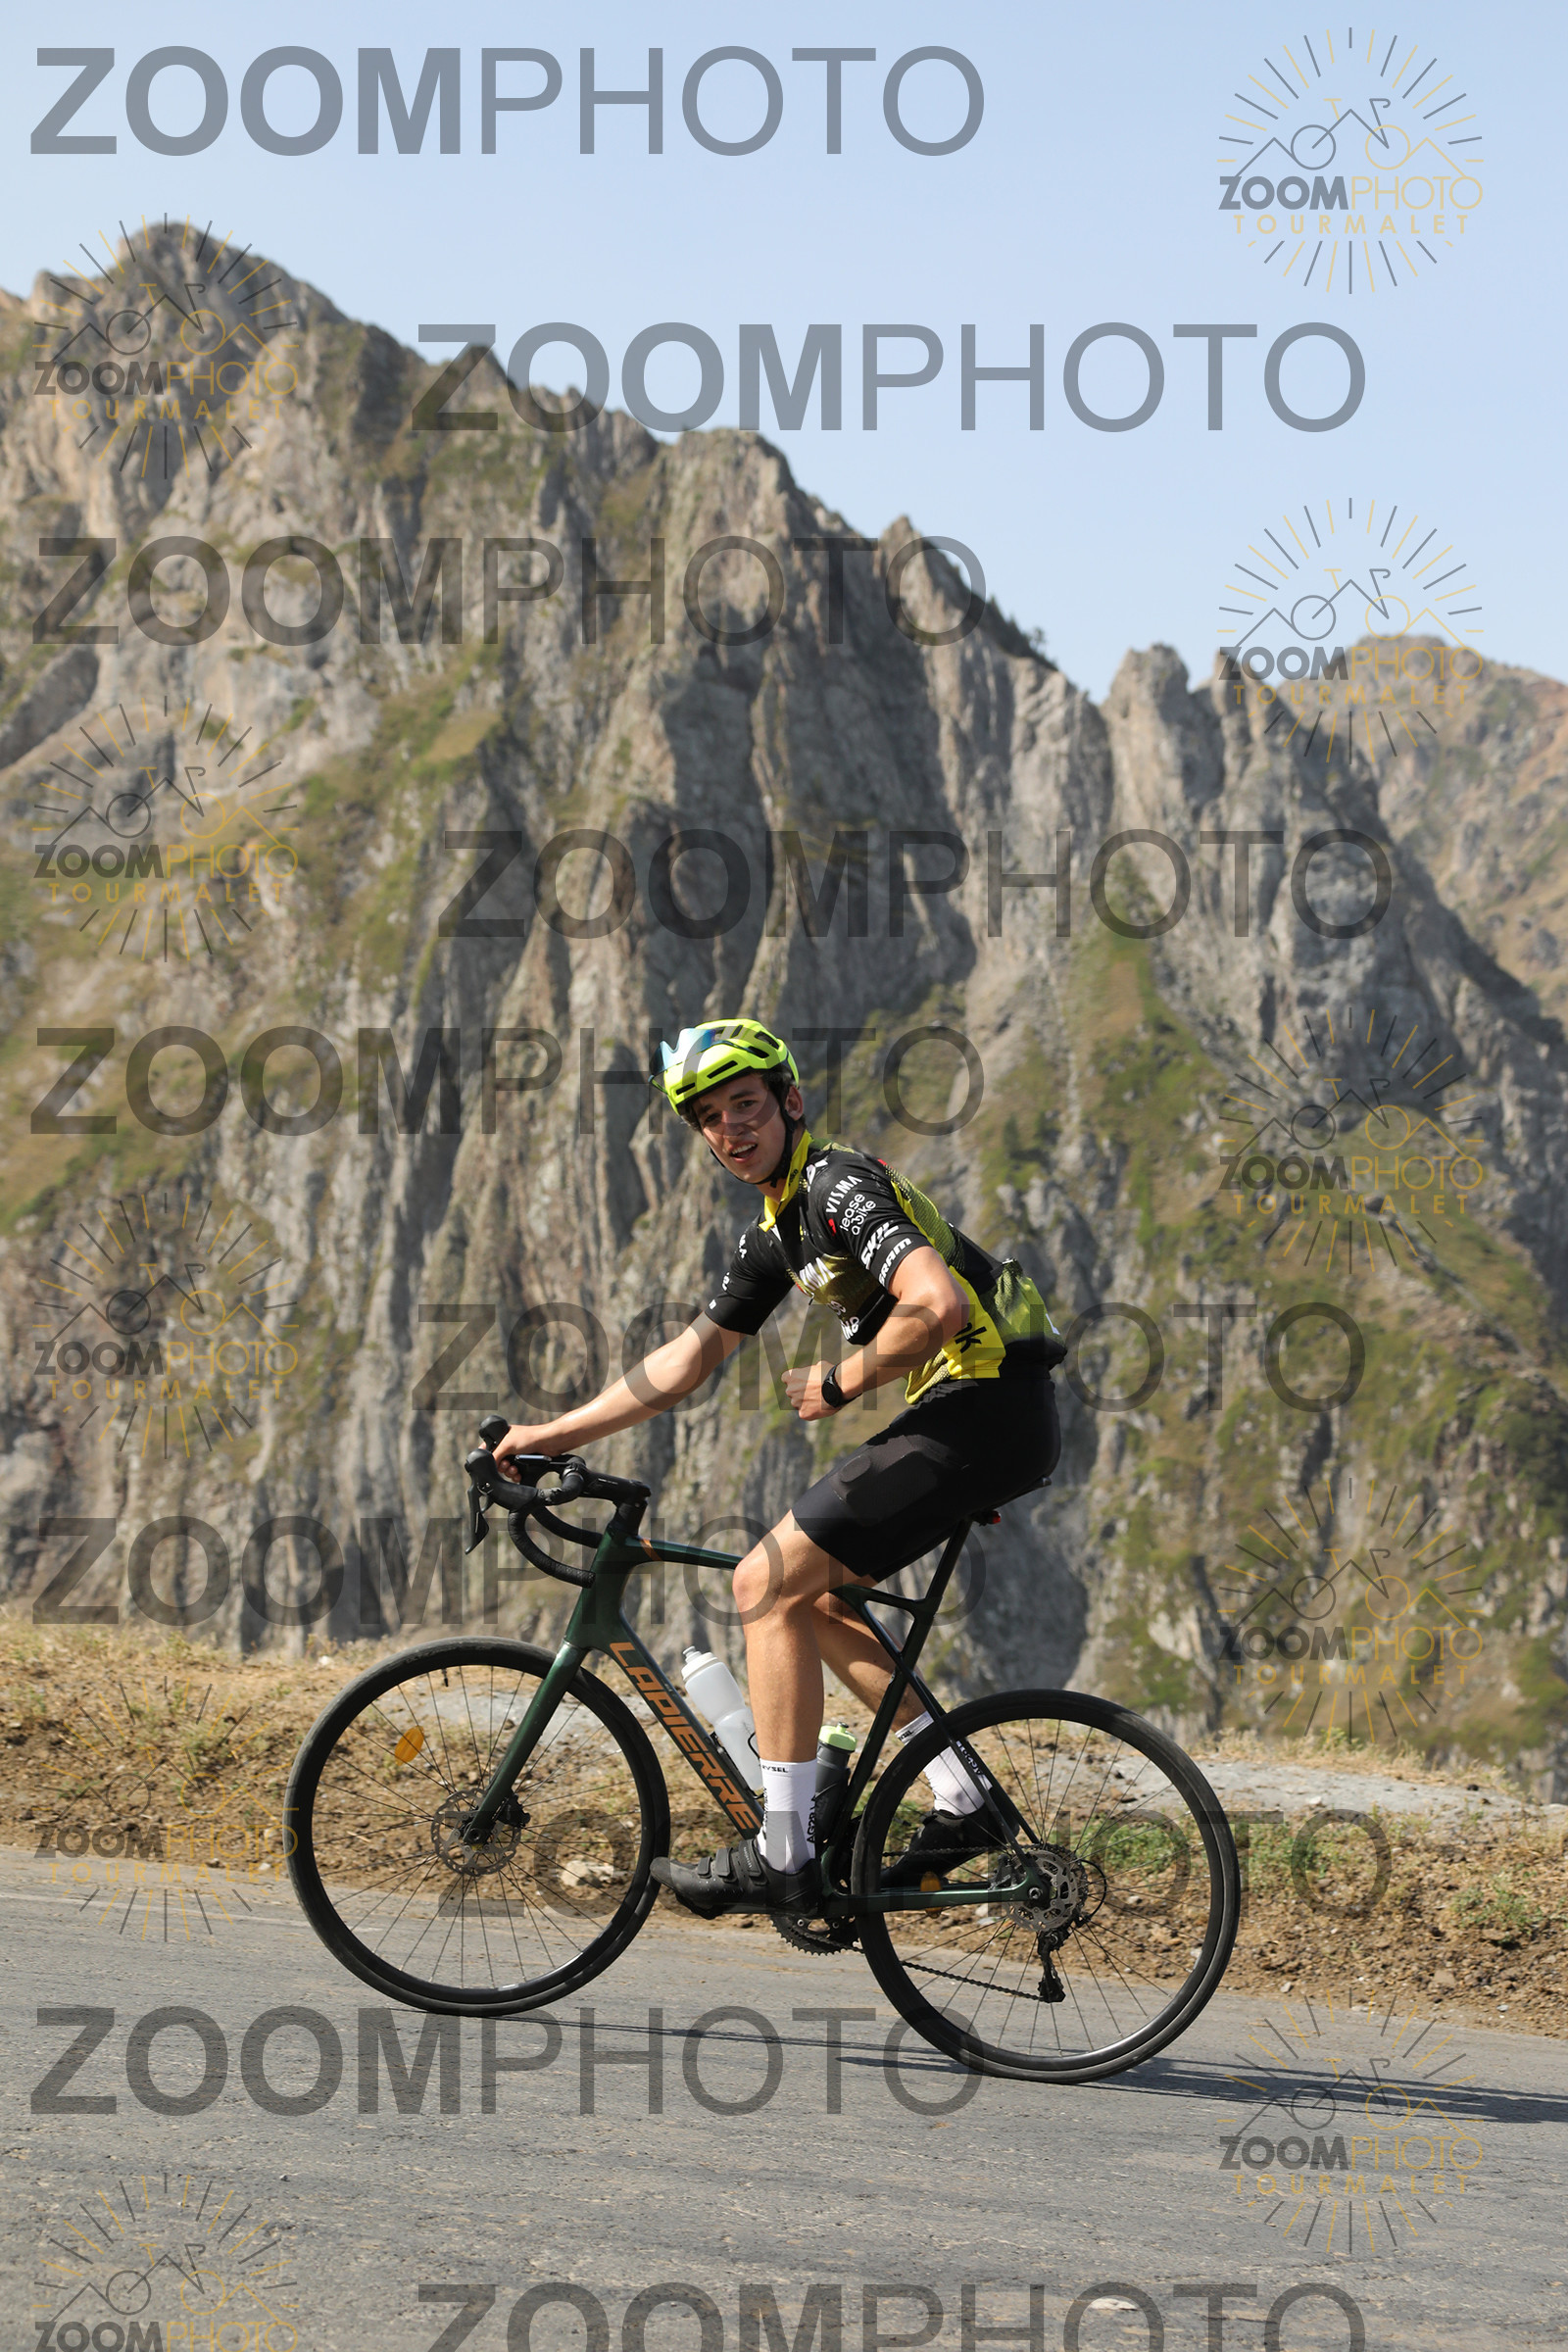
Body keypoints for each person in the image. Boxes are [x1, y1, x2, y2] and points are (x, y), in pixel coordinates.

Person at [492, 1017, 1063, 1916]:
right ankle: (967, 1799)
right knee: (818, 1601)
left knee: (762, 1582)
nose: (732, 1129)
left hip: (987, 1408)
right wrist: (552, 1434)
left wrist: (843, 1380)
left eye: (747, 1104)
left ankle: (783, 1852)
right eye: (710, 1118)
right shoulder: (778, 1230)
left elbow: (938, 1304)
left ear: (790, 1101)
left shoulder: (839, 1186)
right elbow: (685, 1361)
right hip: (980, 1414)